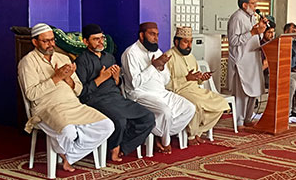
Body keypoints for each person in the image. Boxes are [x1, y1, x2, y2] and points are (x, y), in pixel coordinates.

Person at [19, 23, 114, 172]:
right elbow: (31, 94)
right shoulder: (27, 62)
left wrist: (69, 79)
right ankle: (68, 154)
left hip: (73, 105)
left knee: (108, 125)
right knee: (69, 132)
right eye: (46, 41)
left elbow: (79, 90)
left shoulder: (63, 58)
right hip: (47, 108)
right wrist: (56, 77)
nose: (51, 44)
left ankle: (69, 156)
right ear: (35, 42)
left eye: (52, 40)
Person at [74, 24, 155, 162]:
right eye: (96, 39)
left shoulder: (109, 57)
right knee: (120, 121)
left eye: (102, 38)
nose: (101, 42)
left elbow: (117, 84)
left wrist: (117, 78)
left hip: (116, 98)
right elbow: (82, 93)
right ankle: (114, 147)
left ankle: (121, 145)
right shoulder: (81, 61)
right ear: (86, 42)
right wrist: (100, 79)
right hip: (96, 100)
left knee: (148, 117)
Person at [121, 22, 196, 154]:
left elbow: (166, 80)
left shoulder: (158, 52)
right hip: (140, 95)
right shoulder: (130, 54)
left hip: (161, 93)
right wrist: (153, 67)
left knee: (190, 108)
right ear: (141, 35)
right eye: (152, 34)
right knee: (166, 112)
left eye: (157, 35)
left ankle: (158, 133)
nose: (156, 38)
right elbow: (134, 83)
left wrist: (161, 68)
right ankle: (165, 142)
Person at [164, 26, 231, 144]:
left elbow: (195, 78)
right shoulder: (168, 57)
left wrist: (201, 79)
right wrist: (186, 78)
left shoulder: (191, 56)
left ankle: (198, 131)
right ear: (176, 41)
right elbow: (166, 84)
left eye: (191, 42)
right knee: (197, 105)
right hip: (179, 92)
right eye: (185, 42)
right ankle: (191, 136)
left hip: (195, 89)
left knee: (221, 102)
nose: (189, 45)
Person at [227, 0, 266, 127]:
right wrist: (252, 32)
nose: (256, 6)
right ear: (245, 5)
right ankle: (239, 121)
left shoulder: (251, 17)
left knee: (253, 91)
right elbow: (233, 41)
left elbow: (254, 37)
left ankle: (248, 118)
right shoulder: (237, 18)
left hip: (253, 60)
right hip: (241, 61)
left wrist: (260, 30)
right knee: (242, 93)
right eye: (253, 3)